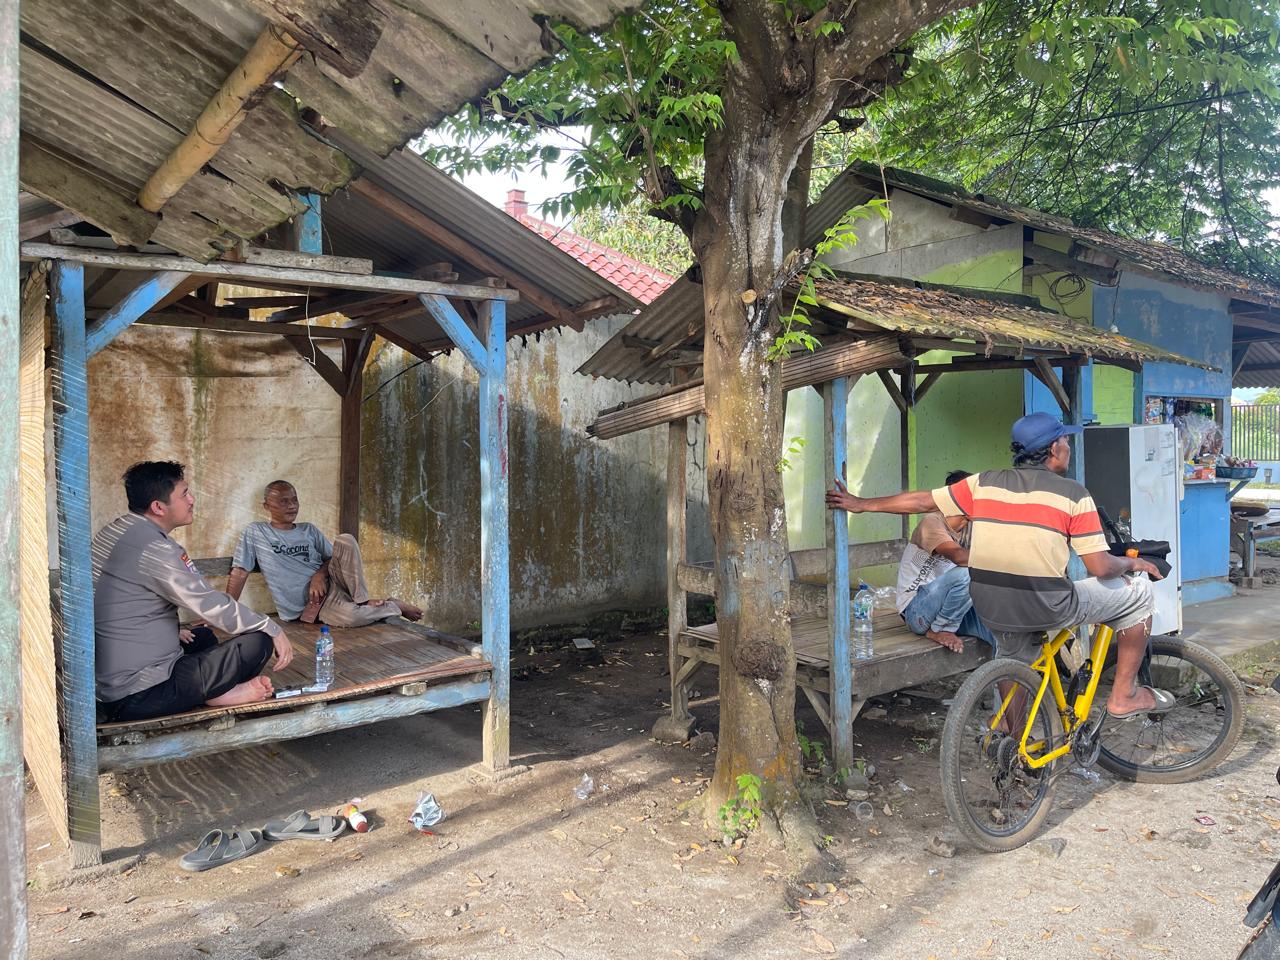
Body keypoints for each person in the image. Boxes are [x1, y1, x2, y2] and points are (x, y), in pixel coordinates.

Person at [827, 412, 1173, 720]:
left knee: (1013, 654)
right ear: (1054, 450)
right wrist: (1132, 563)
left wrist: (861, 504)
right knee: (1139, 593)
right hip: (1046, 603)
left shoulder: (984, 483)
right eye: (1066, 441)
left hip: (991, 603)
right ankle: (1123, 695)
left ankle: (1013, 742)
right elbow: (1099, 566)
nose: (1068, 447)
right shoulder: (1074, 495)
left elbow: (921, 500)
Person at [94, 461, 293, 723]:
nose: (192, 499)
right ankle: (217, 694)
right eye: (184, 493)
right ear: (158, 507)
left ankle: (215, 688)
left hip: (111, 674)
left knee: (202, 637)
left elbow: (119, 600)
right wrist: (271, 627)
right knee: (258, 642)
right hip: (138, 692)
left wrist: (170, 631)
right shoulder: (157, 550)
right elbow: (209, 604)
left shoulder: (117, 530)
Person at [227, 480, 423, 627]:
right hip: (316, 603)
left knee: (346, 539)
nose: (291, 505)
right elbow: (240, 572)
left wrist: (319, 576)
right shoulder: (256, 532)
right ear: (267, 506)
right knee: (353, 617)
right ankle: (392, 605)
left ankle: (361, 600)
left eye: (294, 500)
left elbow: (331, 558)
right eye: (283, 501)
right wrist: (225, 611)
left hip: (334, 583)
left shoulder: (308, 529)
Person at [896, 470, 996, 654]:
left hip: (953, 607)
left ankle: (1011, 670)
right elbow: (959, 557)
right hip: (916, 611)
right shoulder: (932, 522)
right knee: (970, 573)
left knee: (1004, 630)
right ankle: (941, 629)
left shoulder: (971, 527)